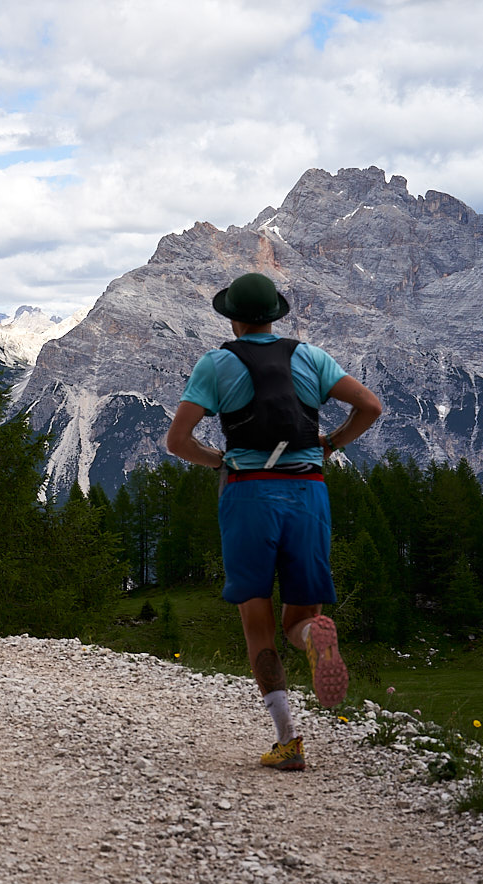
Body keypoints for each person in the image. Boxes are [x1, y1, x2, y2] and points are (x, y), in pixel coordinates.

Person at [165, 272, 382, 771]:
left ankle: (288, 740)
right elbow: (370, 406)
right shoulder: (310, 356)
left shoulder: (217, 364)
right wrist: (332, 443)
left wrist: (217, 459)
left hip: (249, 495)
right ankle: (313, 636)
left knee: (257, 621)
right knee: (298, 617)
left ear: (233, 318)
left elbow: (178, 441)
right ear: (274, 316)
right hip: (310, 492)